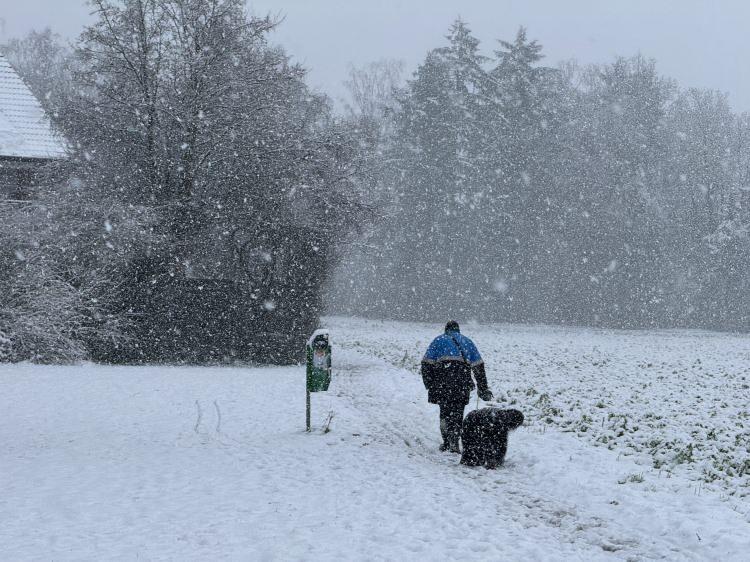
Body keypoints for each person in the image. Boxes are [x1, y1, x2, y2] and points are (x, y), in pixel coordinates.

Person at [421, 321, 493, 453]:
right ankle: (455, 440)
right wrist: (482, 388)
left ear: (446, 329)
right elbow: (478, 366)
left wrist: (429, 384)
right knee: (458, 412)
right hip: (462, 383)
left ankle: (447, 442)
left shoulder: (438, 340)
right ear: (458, 330)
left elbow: (426, 364)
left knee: (445, 411)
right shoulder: (467, 342)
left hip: (442, 383)